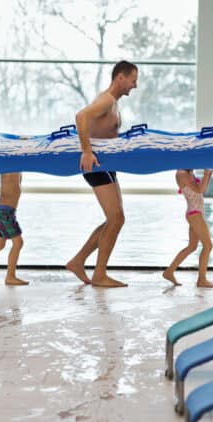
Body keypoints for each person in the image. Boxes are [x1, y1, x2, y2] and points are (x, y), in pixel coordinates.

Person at [66, 60, 138, 288]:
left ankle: (78, 261)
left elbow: (105, 131)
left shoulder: (113, 103)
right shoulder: (106, 99)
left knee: (116, 219)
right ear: (120, 78)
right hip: (96, 164)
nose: (134, 86)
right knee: (116, 219)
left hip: (106, 165)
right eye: (133, 80)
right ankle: (98, 274)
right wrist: (86, 151)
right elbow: (81, 117)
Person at [163, 169, 213, 288]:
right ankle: (202, 280)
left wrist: (209, 174)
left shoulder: (189, 172)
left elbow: (201, 190)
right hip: (195, 214)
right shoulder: (181, 173)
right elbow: (200, 190)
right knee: (208, 246)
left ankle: (169, 272)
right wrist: (206, 174)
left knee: (192, 247)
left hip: (196, 213)